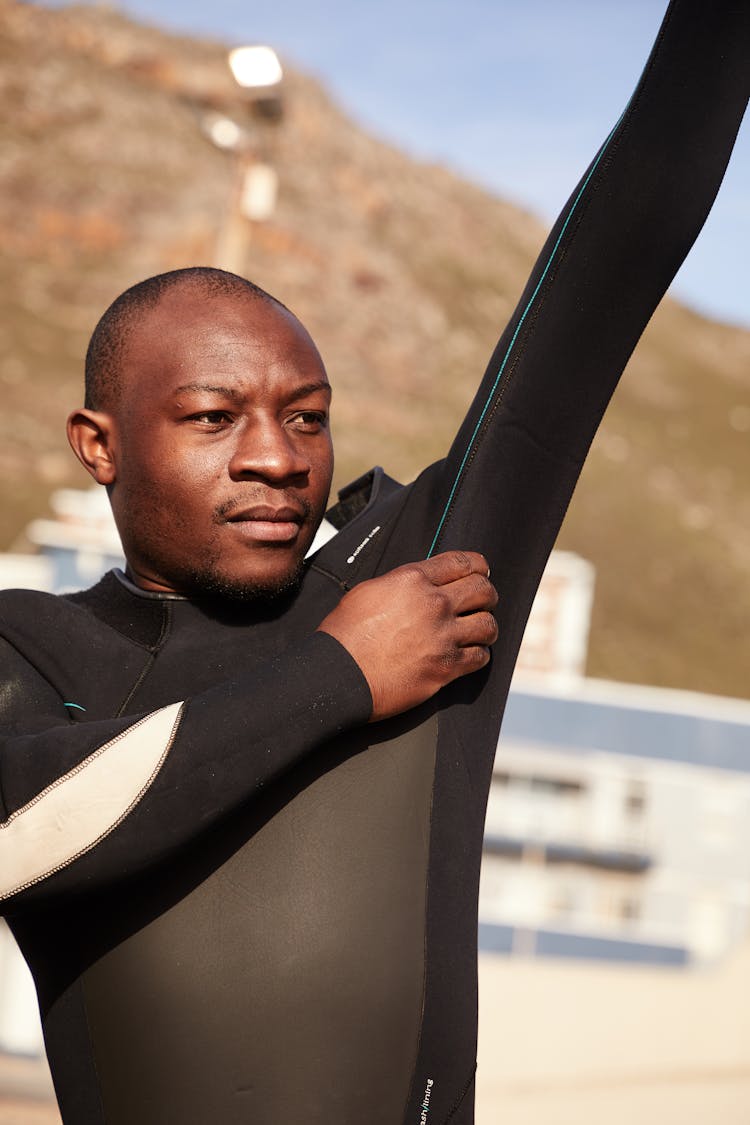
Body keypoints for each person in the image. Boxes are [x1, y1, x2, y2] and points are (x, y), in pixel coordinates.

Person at [1, 1, 747, 1122]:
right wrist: (339, 677)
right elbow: (22, 832)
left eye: (308, 418)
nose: (275, 458)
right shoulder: (34, 642)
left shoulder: (427, 580)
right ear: (98, 446)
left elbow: (613, 255)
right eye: (214, 418)